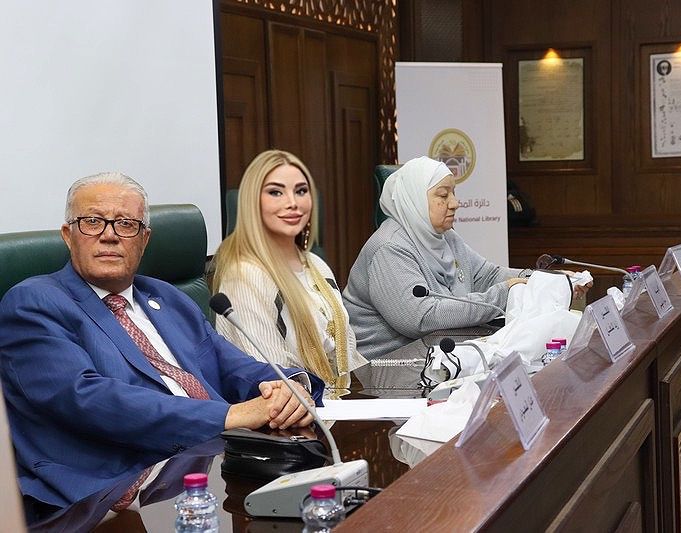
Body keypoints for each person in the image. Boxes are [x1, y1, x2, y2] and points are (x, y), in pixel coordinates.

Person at [0, 172, 324, 514]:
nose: (109, 235)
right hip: (107, 492)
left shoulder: (168, 297)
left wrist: (287, 388)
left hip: (208, 465)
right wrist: (231, 414)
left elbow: (233, 366)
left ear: (144, 239)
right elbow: (88, 399)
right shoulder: (33, 302)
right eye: (92, 222)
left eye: (126, 224)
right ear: (68, 235)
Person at [342, 156, 533, 360]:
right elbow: (422, 318)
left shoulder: (446, 237)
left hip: (435, 355)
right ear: (414, 199)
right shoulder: (389, 247)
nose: (455, 203)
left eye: (453, 193)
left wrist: (536, 278)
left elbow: (487, 275)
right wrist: (502, 294)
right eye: (443, 195)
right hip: (384, 367)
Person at [213, 150, 366, 397]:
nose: (292, 202)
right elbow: (273, 378)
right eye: (276, 192)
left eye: (301, 191)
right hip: (293, 412)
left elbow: (345, 353)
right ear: (253, 203)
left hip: (340, 404)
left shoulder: (315, 264)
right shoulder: (245, 276)